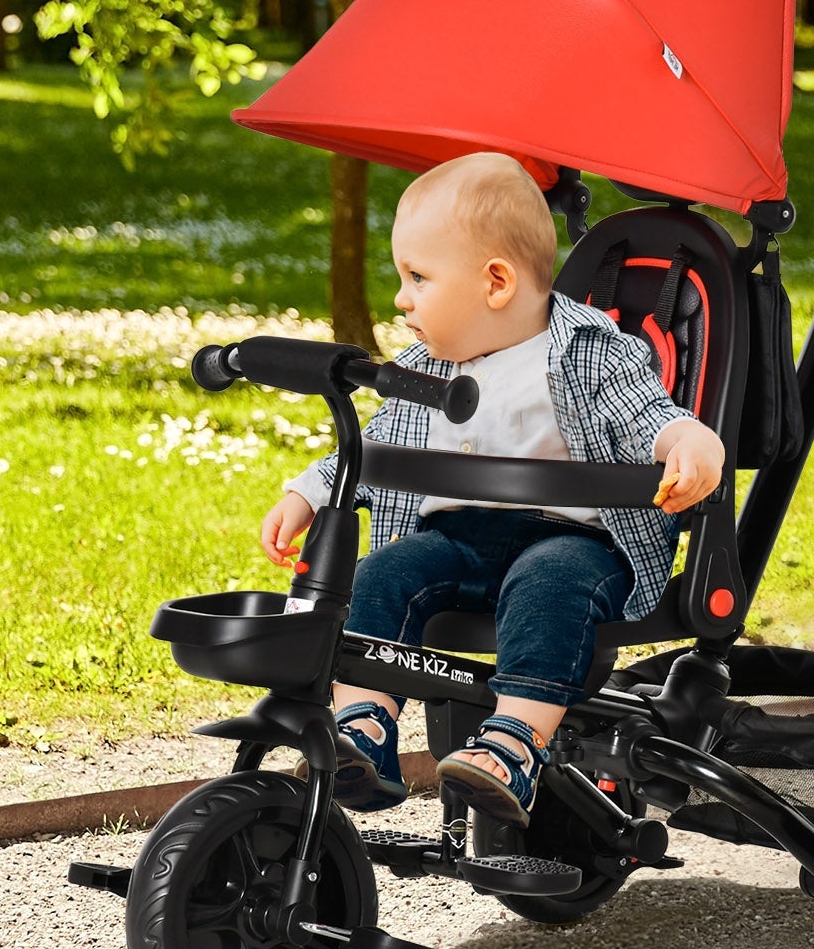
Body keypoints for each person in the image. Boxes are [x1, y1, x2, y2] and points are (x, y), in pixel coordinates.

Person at [260, 152, 724, 821]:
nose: (401, 298)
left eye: (418, 278)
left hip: (574, 542)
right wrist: (307, 493)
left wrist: (690, 446)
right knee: (381, 575)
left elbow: (653, 418)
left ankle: (514, 742)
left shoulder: (590, 351)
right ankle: (362, 725)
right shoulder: (424, 367)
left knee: (549, 582)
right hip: (458, 540)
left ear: (496, 283)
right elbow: (375, 444)